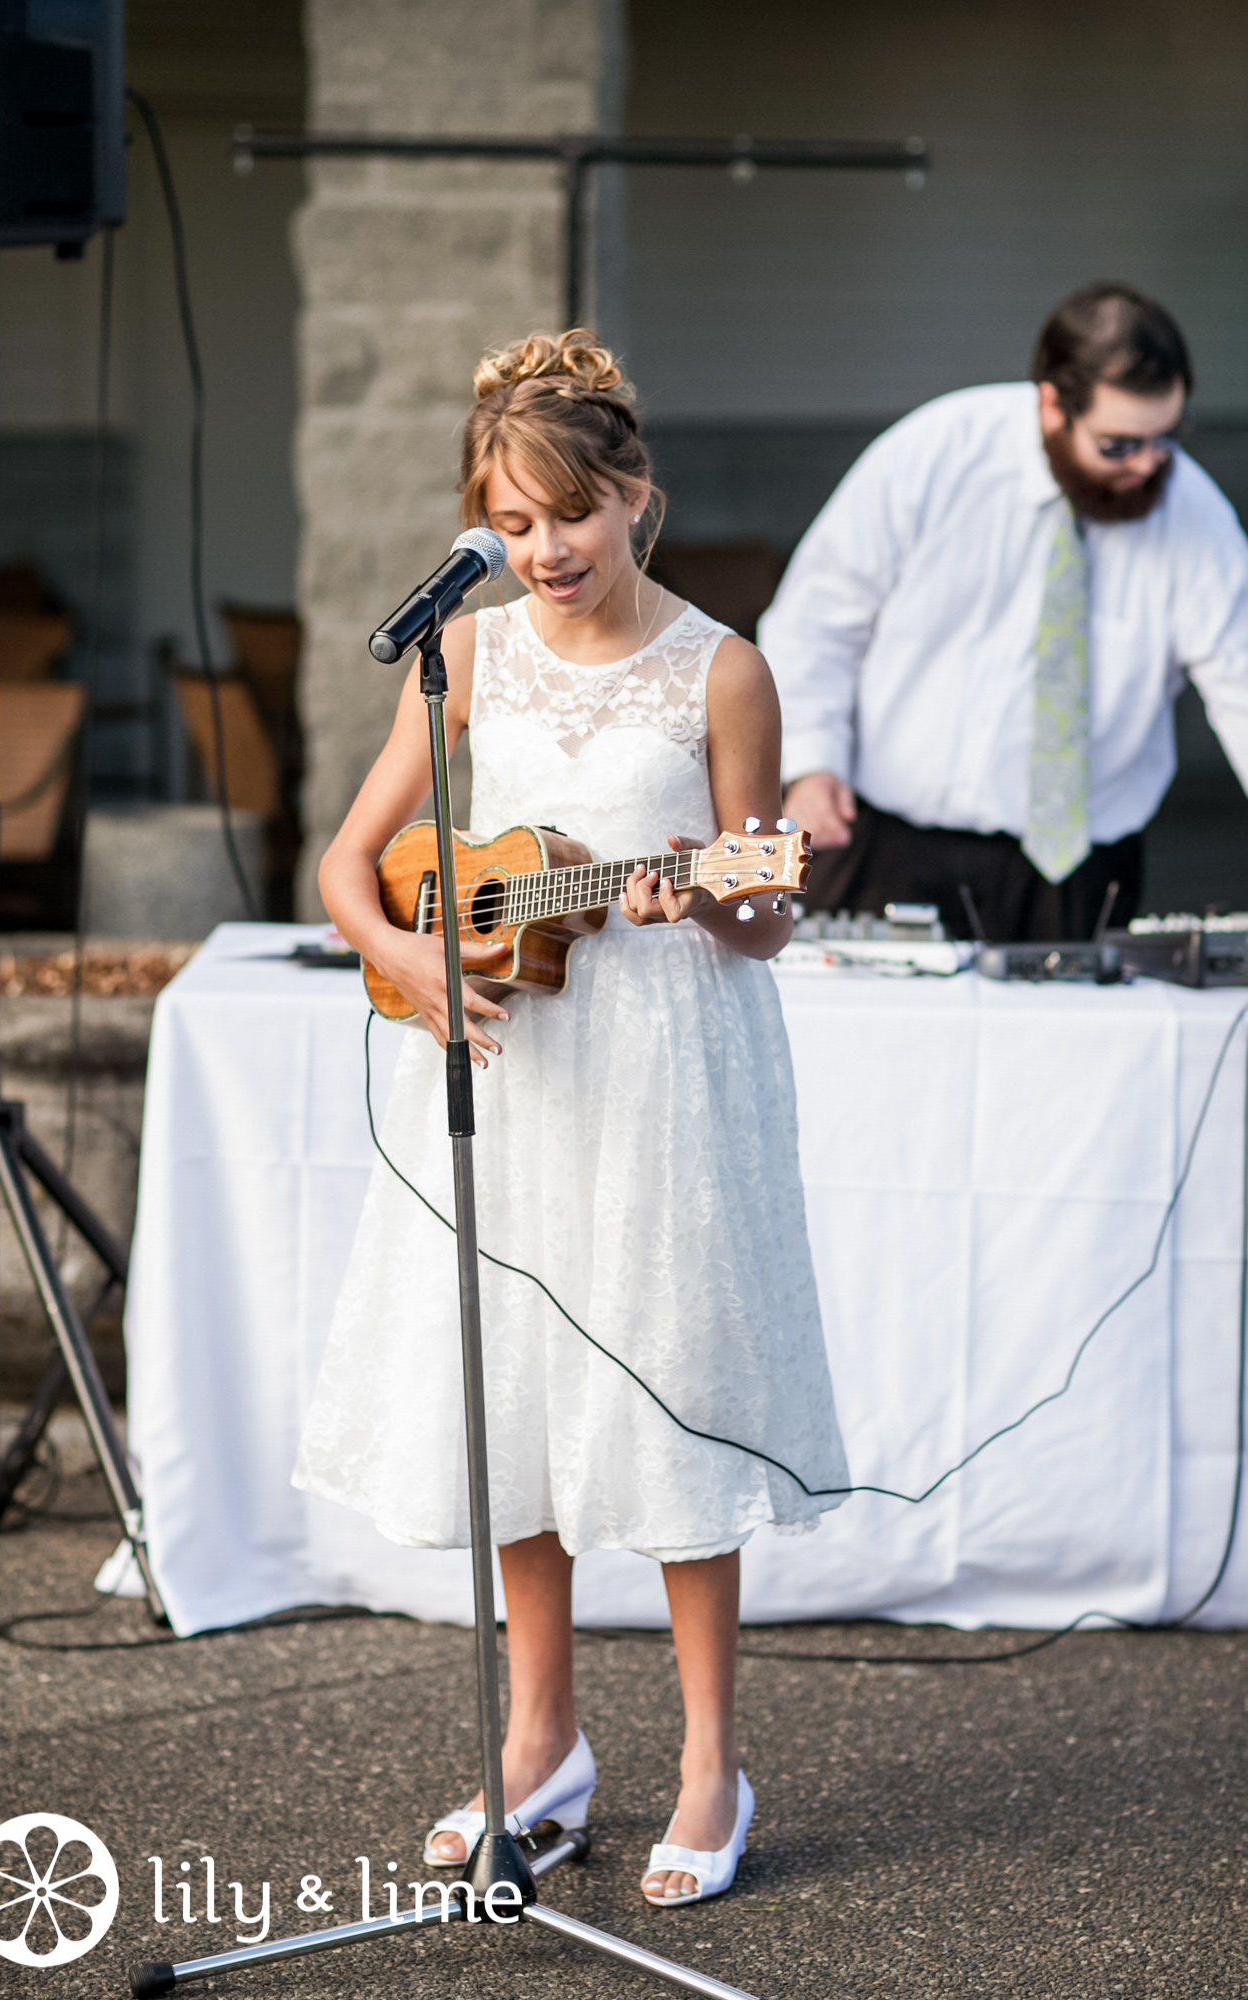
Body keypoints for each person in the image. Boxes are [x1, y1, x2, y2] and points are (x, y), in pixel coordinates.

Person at [293, 329, 848, 1907]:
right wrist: (408, 952)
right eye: (511, 522)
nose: (543, 552)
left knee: (669, 1393)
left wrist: (710, 897)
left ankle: (708, 1760)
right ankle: (538, 1742)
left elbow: (769, 915)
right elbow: (352, 865)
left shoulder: (720, 665)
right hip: (507, 1064)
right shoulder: (460, 653)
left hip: (666, 1071)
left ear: (635, 499)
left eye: (571, 518)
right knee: (514, 1395)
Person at [759, 283, 1248, 943]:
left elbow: (1239, 678)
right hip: (890, 849)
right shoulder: (933, 454)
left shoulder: (1190, 509)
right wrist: (811, 766)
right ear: (1052, 405)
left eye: (1165, 438)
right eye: (1117, 445)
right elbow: (816, 620)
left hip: (1078, 868)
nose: (1147, 465)